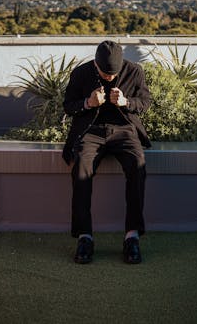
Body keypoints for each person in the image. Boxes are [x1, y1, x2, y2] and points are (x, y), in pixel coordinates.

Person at [62, 40, 151, 264]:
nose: (110, 77)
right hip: (90, 131)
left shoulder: (134, 71)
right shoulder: (81, 73)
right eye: (105, 73)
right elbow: (68, 105)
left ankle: (132, 236)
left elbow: (145, 102)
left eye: (114, 73)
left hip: (124, 130)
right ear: (96, 63)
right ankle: (85, 237)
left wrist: (126, 102)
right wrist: (88, 103)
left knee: (138, 165)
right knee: (81, 168)